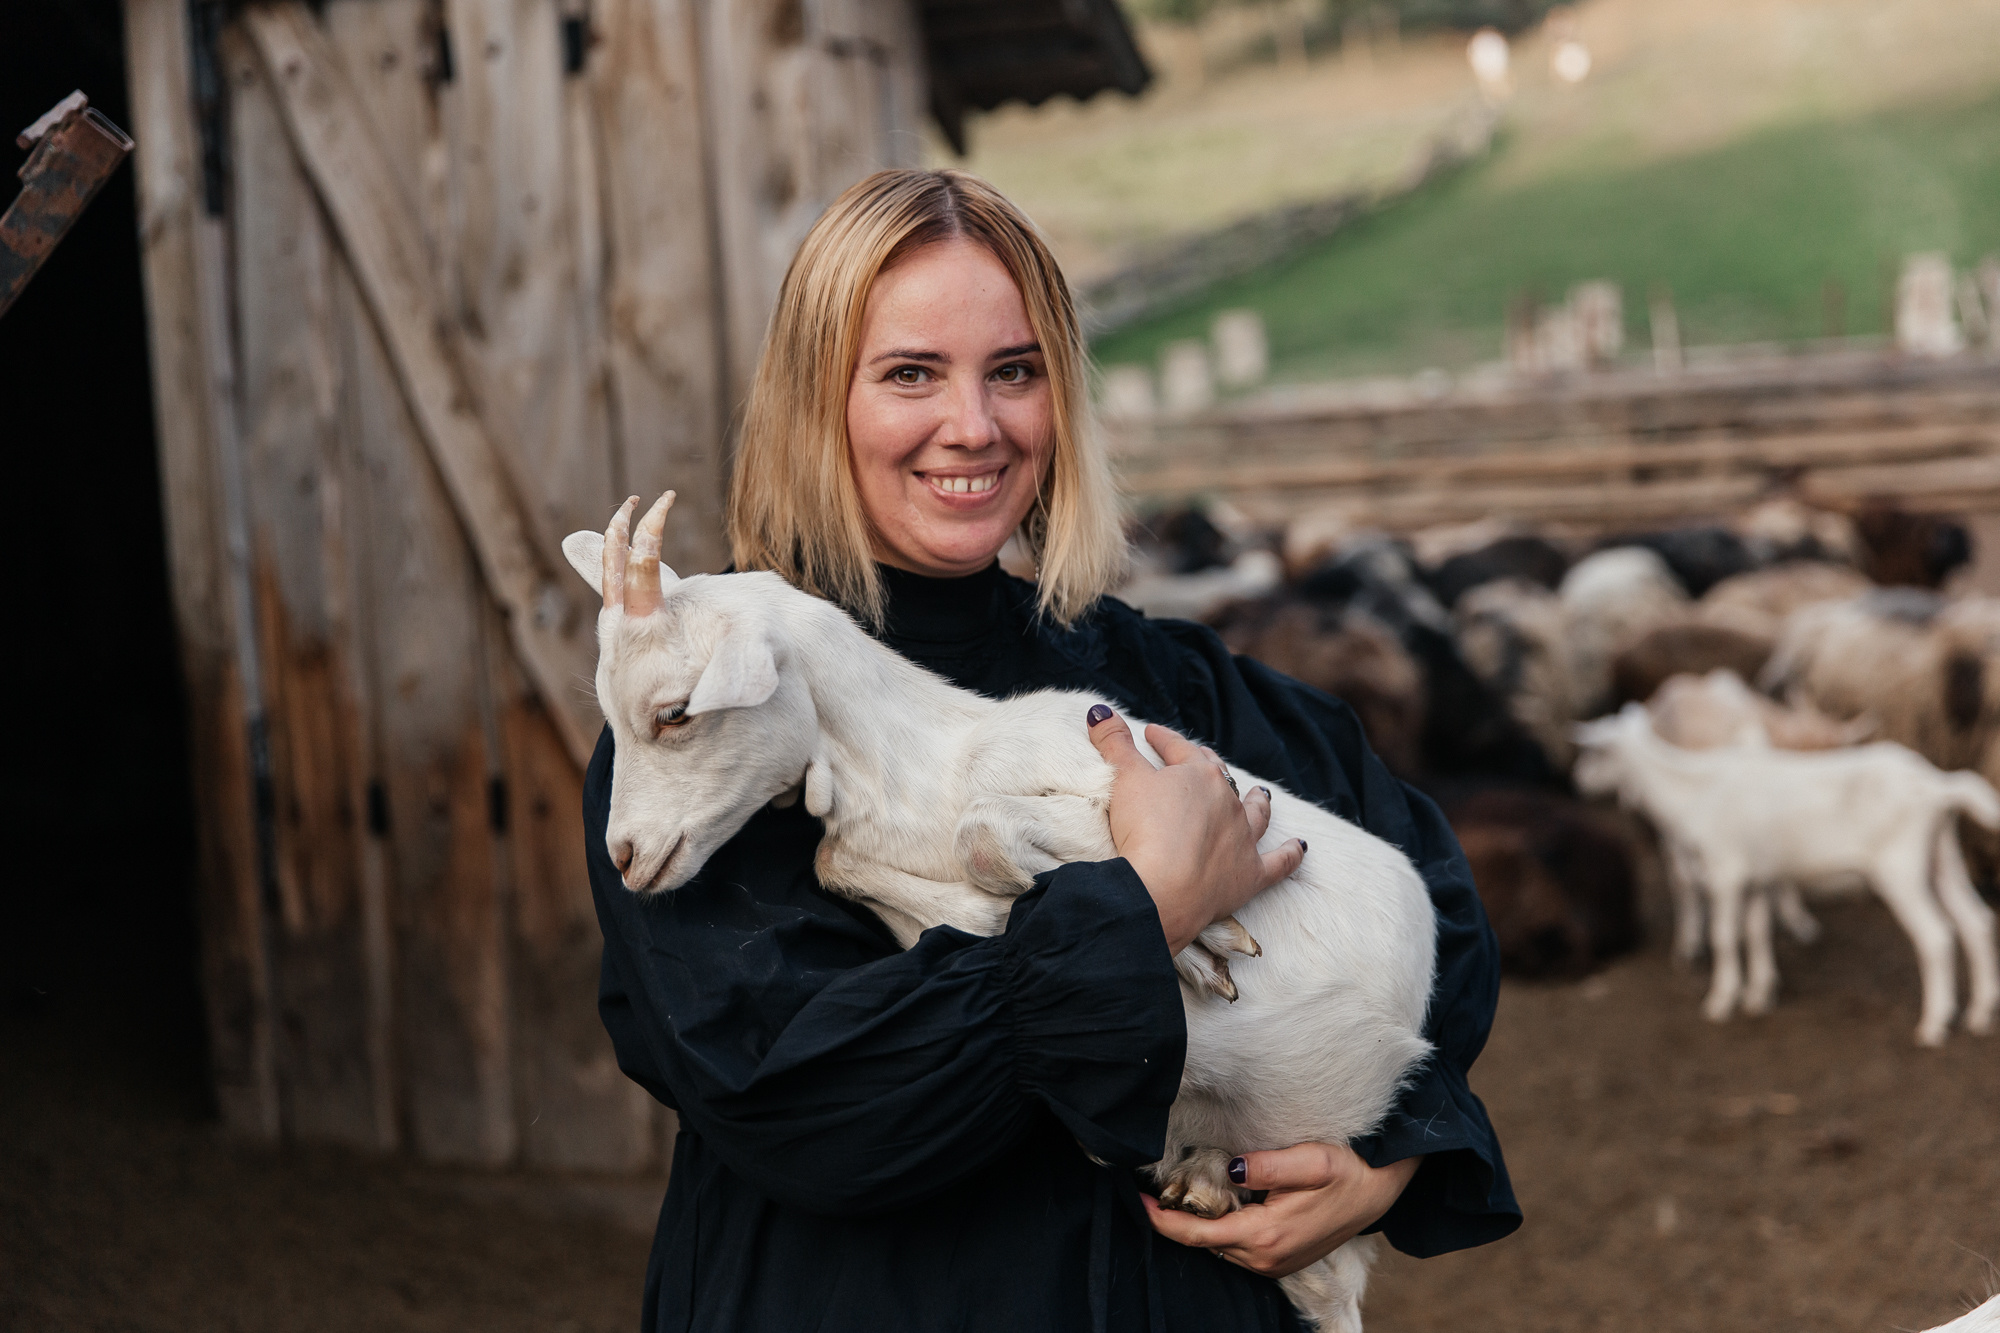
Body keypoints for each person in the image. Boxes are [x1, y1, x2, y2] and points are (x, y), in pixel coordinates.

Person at [585, 169, 1518, 1332]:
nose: (974, 426)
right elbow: (813, 1109)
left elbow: (1434, 903)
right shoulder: (714, 730)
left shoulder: (1166, 683)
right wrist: (1144, 910)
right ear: (815, 401)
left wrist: (1393, 1152)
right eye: (910, 373)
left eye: (1014, 372)